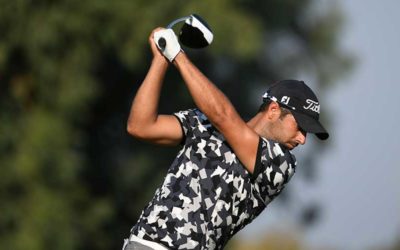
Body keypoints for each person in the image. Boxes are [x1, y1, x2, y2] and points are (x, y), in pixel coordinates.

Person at [122, 27, 329, 250]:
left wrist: (177, 55)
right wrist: (161, 59)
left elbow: (222, 116)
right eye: (300, 127)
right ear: (273, 110)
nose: (303, 139)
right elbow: (141, 126)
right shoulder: (204, 121)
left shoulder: (280, 165)